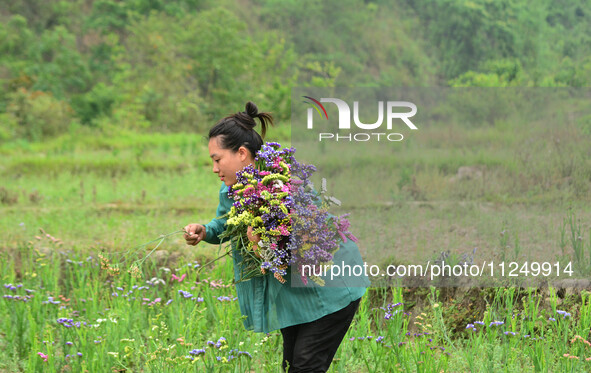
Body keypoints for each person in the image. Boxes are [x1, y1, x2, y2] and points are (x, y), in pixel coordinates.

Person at [184, 101, 370, 372]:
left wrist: (265, 244)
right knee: (292, 366)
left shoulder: (284, 184)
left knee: (304, 367)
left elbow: (308, 242)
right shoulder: (233, 190)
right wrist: (205, 231)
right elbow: (224, 224)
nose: (214, 168)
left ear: (242, 153)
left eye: (217, 159)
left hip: (331, 289)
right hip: (296, 296)